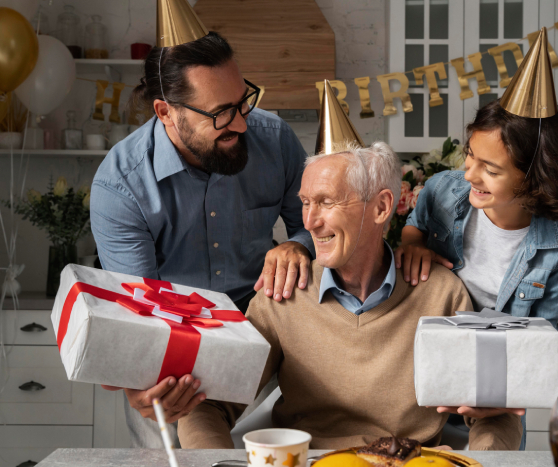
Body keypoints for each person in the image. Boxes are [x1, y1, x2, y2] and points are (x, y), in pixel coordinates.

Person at [177, 142, 525, 450]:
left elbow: (493, 412)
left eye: (326, 201)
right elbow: (206, 405)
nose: (309, 222)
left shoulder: (441, 294)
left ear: (381, 208)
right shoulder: (282, 293)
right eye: (305, 203)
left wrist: (485, 461)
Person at [90, 31, 314, 447]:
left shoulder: (275, 139)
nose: (242, 123)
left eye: (243, 101)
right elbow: (139, 312)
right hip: (173, 360)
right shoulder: (120, 184)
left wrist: (298, 244)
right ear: (166, 112)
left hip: (266, 343)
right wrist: (138, 385)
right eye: (221, 113)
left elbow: (318, 224)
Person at [395, 29, 558, 450]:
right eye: (470, 154)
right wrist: (411, 241)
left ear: (538, 177)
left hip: (496, 386)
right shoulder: (446, 191)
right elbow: (419, 215)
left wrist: (501, 398)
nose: (469, 174)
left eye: (491, 168)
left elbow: (540, 344)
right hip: (420, 370)